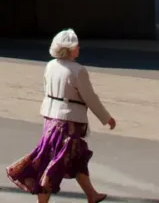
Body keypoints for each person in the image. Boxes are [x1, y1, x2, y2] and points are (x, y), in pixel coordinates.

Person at [7, 29, 116, 203]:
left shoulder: (50, 65)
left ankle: (92, 195)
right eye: (76, 45)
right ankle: (42, 201)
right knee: (54, 163)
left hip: (50, 117)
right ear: (70, 49)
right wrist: (106, 118)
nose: (79, 47)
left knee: (76, 159)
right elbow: (90, 97)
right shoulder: (78, 71)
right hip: (68, 122)